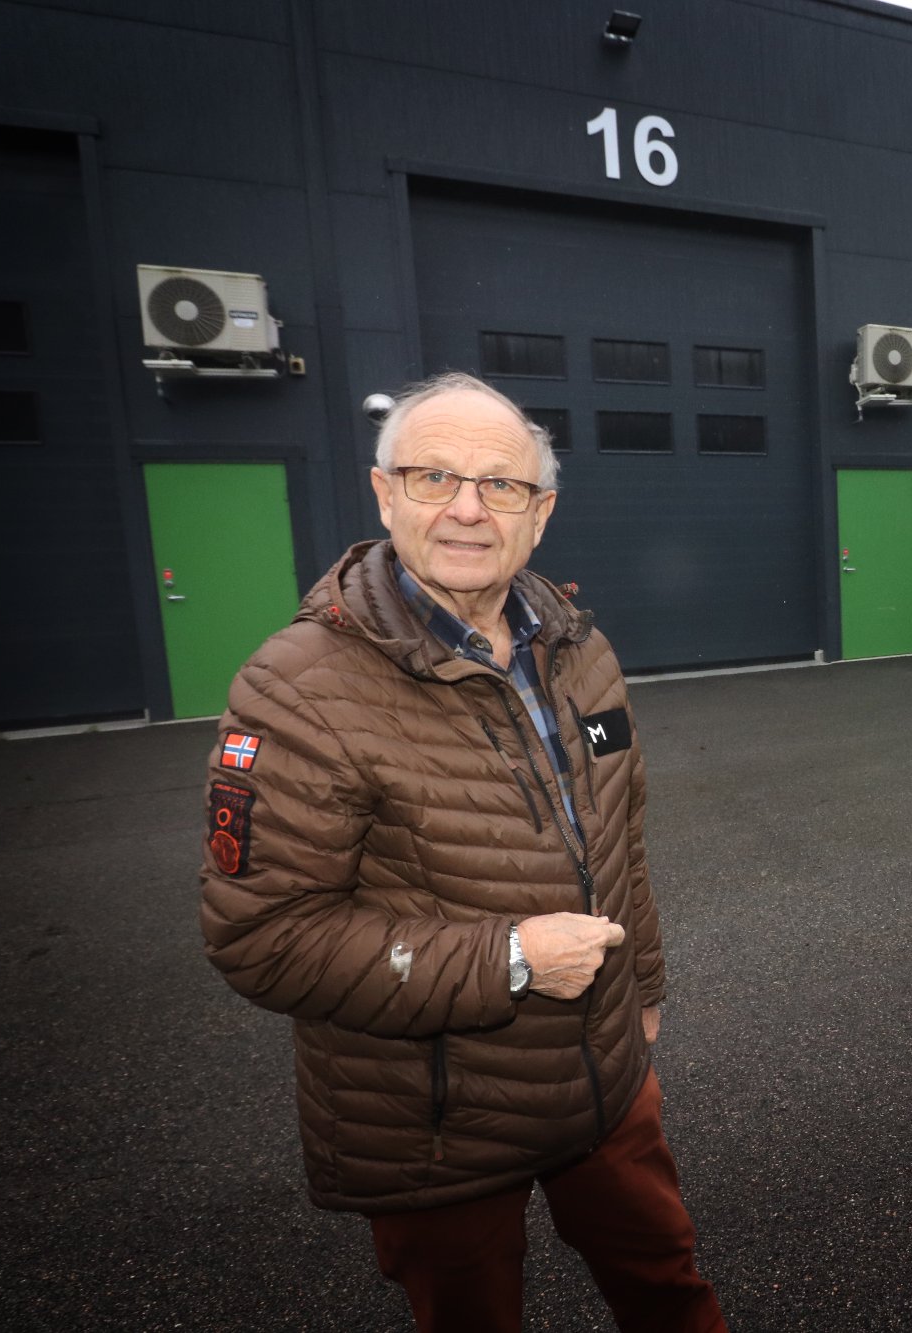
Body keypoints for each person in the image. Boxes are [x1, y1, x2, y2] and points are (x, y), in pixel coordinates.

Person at [198, 371, 725, 1333]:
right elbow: (263, 937)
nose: (469, 510)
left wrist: (643, 987)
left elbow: (619, 838)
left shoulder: (581, 652)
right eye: (434, 476)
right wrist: (511, 957)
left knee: (667, 1284)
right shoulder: (297, 689)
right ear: (384, 492)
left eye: (502, 485)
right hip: (431, 1114)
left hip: (606, 1071)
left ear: (541, 513)